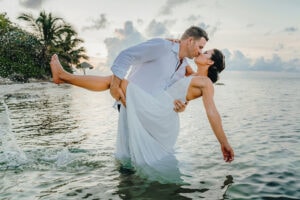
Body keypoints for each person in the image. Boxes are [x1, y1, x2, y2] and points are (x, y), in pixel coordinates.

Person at [50, 47, 234, 182]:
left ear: (210, 62)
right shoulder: (188, 70)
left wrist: (223, 143)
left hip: (160, 112)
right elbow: (178, 87)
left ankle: (64, 76)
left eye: (206, 52)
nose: (201, 52)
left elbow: (212, 112)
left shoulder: (206, 83)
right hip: (158, 107)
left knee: (117, 81)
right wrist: (183, 105)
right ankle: (64, 76)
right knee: (115, 81)